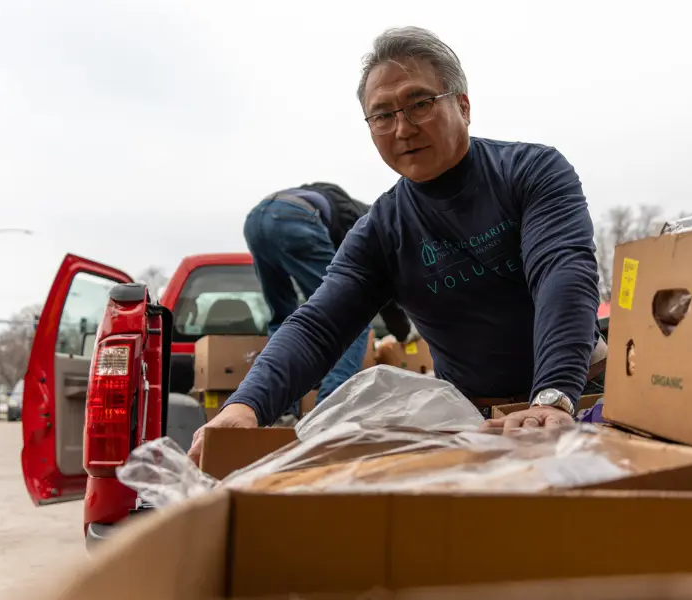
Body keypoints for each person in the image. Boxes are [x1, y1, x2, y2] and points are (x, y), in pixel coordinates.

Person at [189, 26, 602, 462]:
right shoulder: (380, 230)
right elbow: (318, 326)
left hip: (578, 392)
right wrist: (244, 406)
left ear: (463, 105)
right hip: (479, 418)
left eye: (420, 103)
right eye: (382, 115)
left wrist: (554, 396)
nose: (402, 128)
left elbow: (562, 271)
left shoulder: (530, 172)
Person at [243, 183, 415, 419]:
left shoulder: (337, 204)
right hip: (293, 218)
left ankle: (282, 413)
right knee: (349, 315)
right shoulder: (366, 223)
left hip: (256, 220)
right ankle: (327, 410)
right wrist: (403, 331)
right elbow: (374, 281)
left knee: (283, 318)